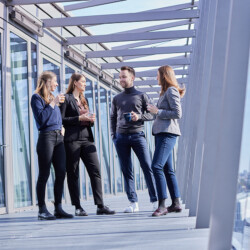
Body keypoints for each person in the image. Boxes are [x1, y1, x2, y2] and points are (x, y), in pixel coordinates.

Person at [60, 73, 115, 216]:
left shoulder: (85, 99)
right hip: (72, 140)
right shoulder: (66, 99)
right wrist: (79, 118)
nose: (85, 84)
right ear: (75, 83)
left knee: (95, 170)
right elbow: (62, 119)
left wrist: (91, 120)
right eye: (83, 82)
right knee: (73, 173)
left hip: (87, 139)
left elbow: (86, 118)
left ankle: (100, 205)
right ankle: (77, 207)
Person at [110, 66, 158, 213]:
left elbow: (152, 115)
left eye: (124, 77)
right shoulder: (116, 98)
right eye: (120, 77)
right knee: (126, 171)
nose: (121, 79)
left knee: (147, 167)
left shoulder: (142, 96)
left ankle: (155, 201)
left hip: (138, 136)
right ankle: (133, 203)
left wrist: (139, 117)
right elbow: (112, 117)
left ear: (132, 78)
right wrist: (113, 136)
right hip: (121, 138)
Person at [31, 71, 73, 220]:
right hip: (46, 138)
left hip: (58, 138)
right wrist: (53, 103)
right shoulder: (36, 98)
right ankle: (42, 209)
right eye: (54, 81)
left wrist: (61, 126)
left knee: (61, 172)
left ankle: (58, 208)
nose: (56, 84)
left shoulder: (52, 98)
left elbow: (55, 118)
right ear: (47, 82)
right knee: (44, 174)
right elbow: (42, 119)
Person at [147, 65, 185, 217]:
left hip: (167, 134)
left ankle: (162, 205)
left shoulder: (171, 90)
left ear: (163, 75)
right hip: (161, 134)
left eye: (157, 75)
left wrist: (158, 112)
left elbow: (177, 113)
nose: (156, 78)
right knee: (167, 169)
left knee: (156, 166)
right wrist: (152, 112)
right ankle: (176, 203)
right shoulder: (164, 92)